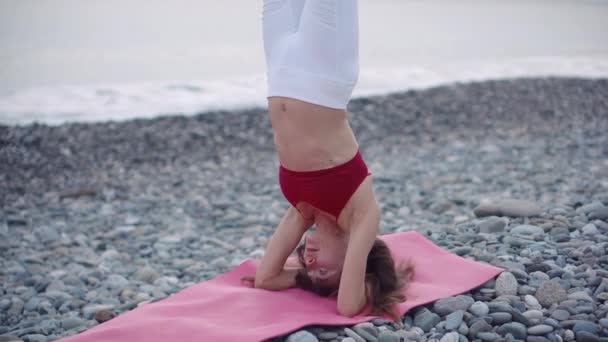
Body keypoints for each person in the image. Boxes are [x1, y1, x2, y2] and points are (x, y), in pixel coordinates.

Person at [242, 0, 415, 320]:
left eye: (312, 272)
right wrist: (351, 281)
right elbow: (348, 306)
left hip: (280, 70)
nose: (311, 264)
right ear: (355, 259)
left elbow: (265, 279)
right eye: (324, 271)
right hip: (326, 70)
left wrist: (305, 279)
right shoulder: (361, 215)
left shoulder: (301, 211)